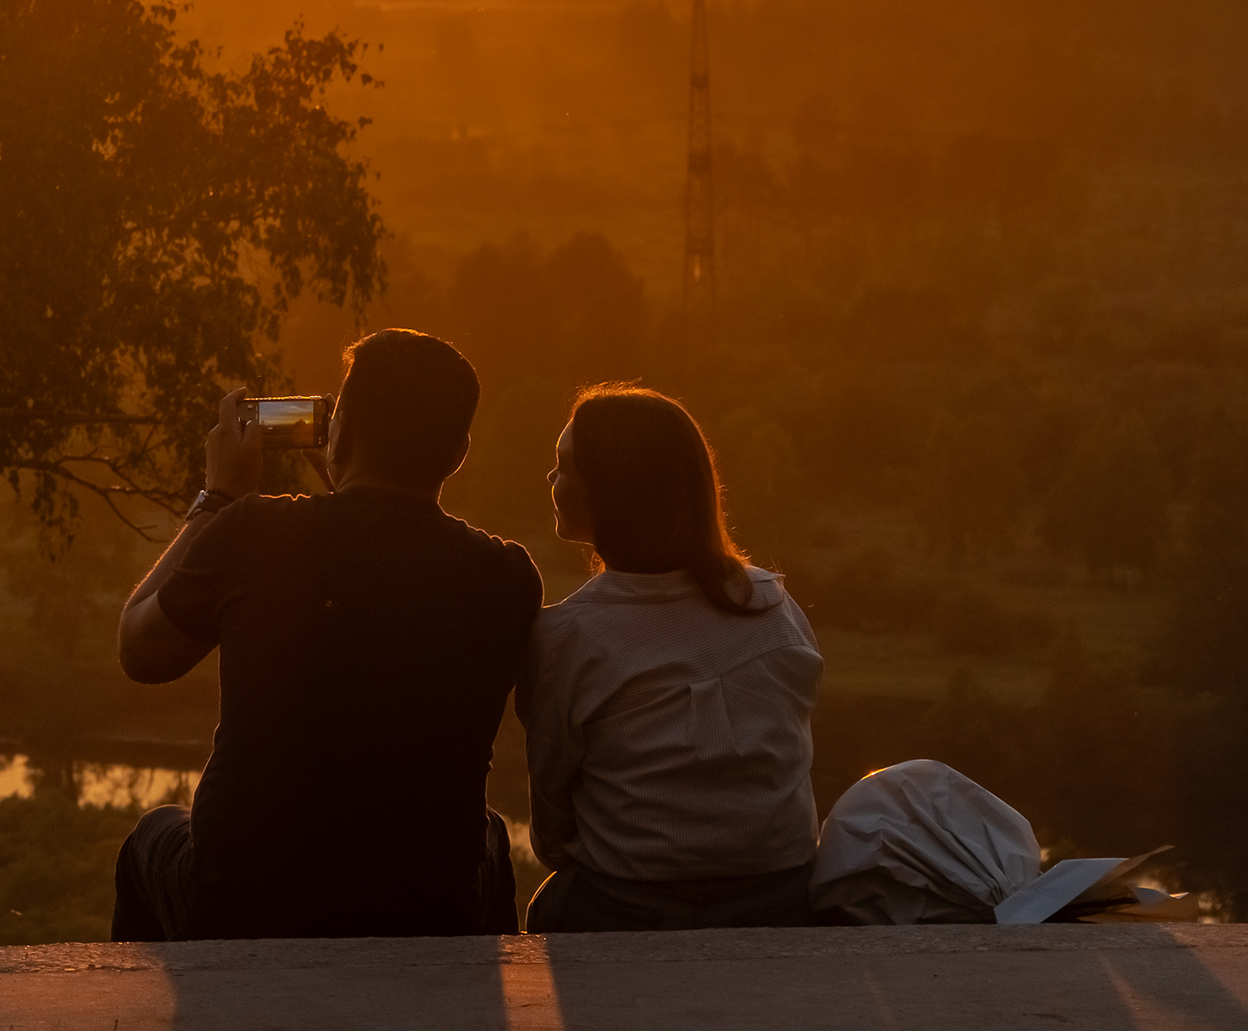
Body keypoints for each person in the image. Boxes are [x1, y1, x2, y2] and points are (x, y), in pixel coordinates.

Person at [111, 328, 543, 940]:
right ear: (458, 453)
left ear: (339, 429)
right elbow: (386, 572)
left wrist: (217, 497)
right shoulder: (506, 576)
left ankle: (175, 1027)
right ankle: (466, 1011)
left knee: (150, 837)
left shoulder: (256, 531)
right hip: (427, 909)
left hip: (245, 903)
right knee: (489, 836)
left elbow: (139, 648)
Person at [518, 385, 822, 932]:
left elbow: (553, 822)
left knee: (546, 910)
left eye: (565, 466)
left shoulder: (565, 636)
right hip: (784, 894)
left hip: (626, 904)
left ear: (613, 490)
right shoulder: (773, 605)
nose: (551, 480)